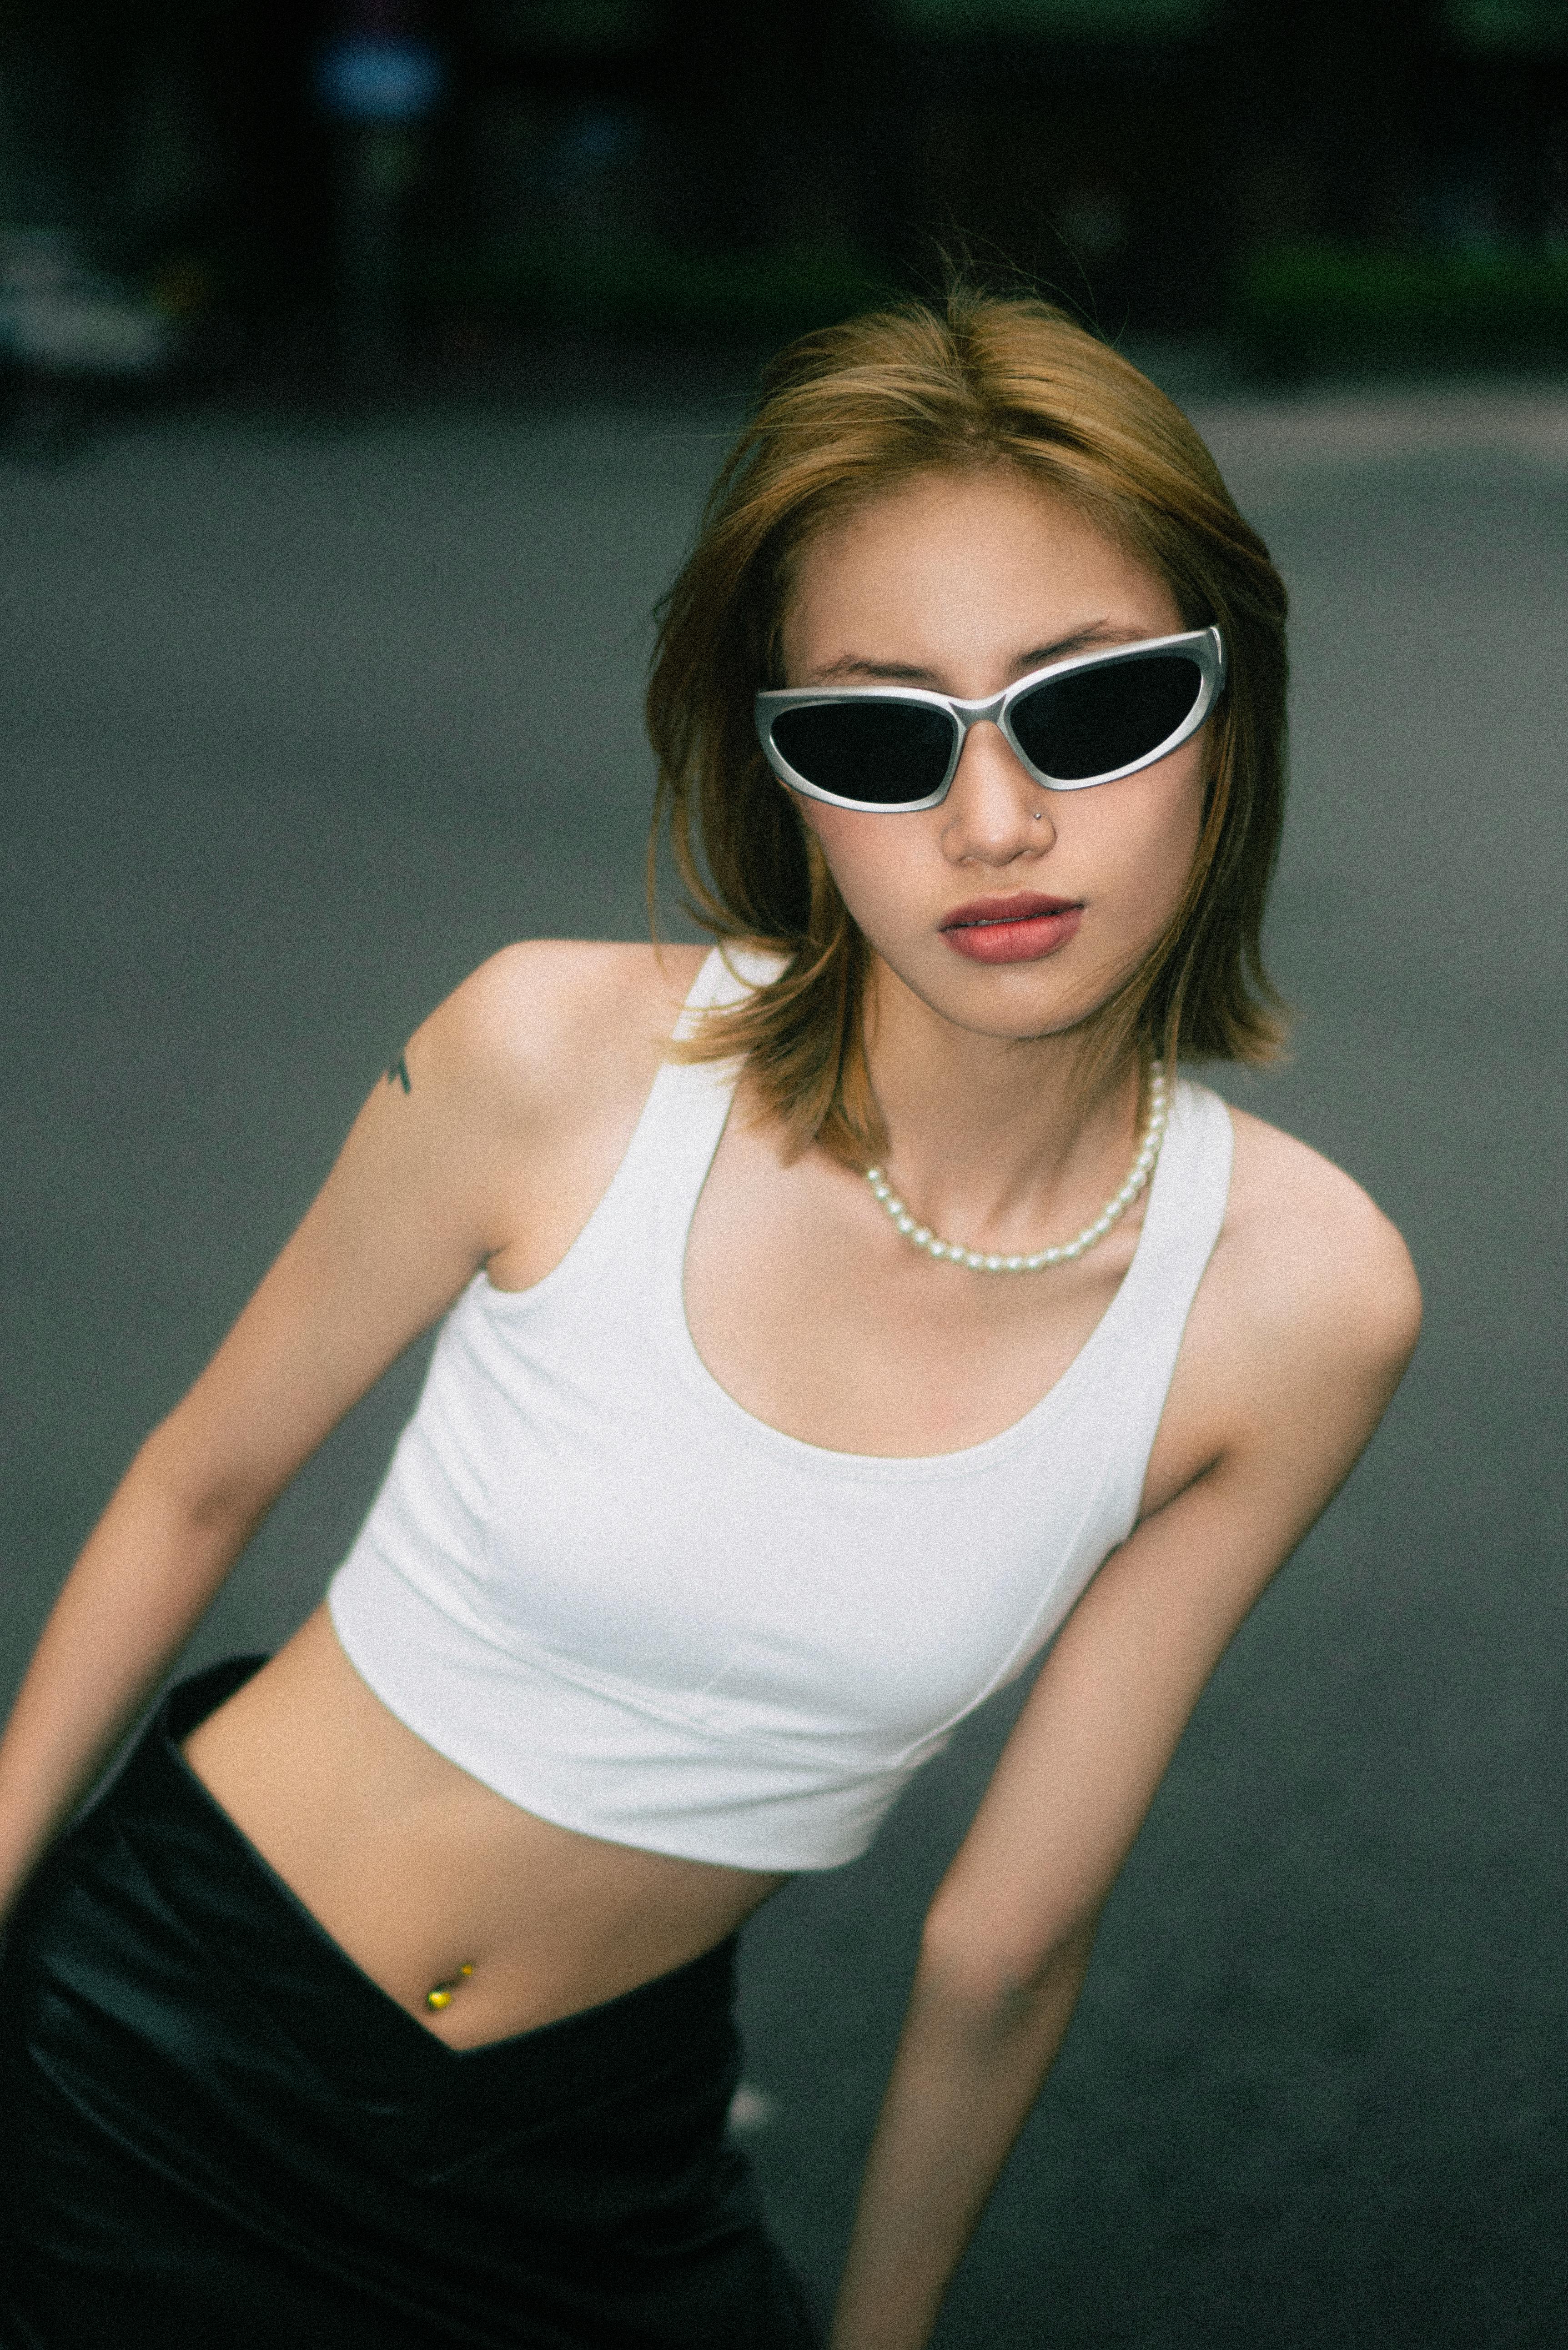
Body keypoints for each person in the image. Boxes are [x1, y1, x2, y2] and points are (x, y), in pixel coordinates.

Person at [0, 282, 1420, 2350]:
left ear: (1231, 710)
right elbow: (196, 1483)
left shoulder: (1298, 1297)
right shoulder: (549, 1053)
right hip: (150, 2035)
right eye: (877, 733)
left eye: (1093, 707)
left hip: (587, 2157)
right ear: (784, 780)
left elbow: (1008, 1938)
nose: (996, 821)